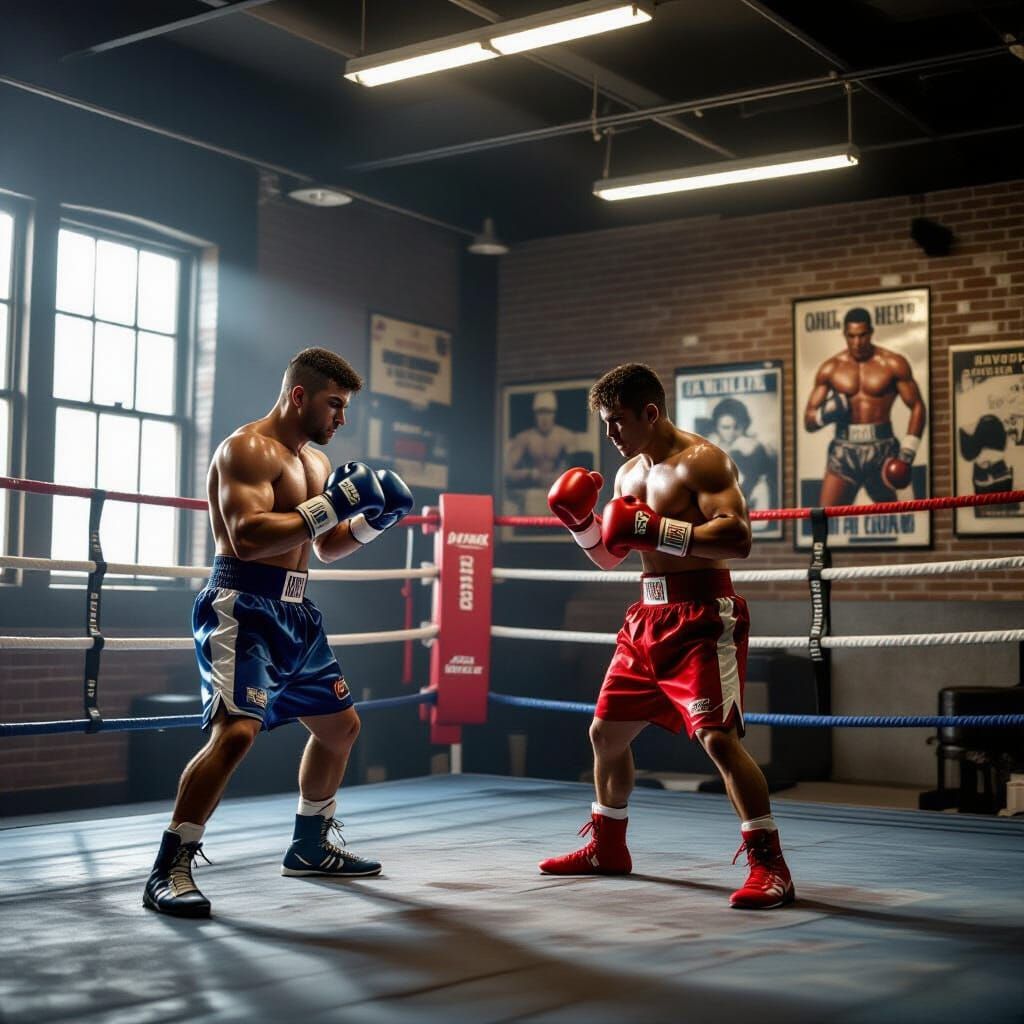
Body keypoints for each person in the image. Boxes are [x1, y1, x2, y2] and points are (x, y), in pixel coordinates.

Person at [143, 347, 413, 918]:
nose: (341, 419)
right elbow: (246, 536)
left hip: (296, 613)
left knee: (341, 729)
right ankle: (170, 865)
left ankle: (310, 844)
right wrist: (333, 504)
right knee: (237, 733)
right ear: (299, 396)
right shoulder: (246, 449)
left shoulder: (313, 463)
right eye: (334, 405)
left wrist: (372, 519)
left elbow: (325, 546)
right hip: (241, 604)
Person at [541, 363, 794, 910]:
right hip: (646, 620)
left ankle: (770, 867)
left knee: (719, 740)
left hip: (702, 614)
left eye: (617, 422)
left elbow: (738, 537)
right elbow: (611, 557)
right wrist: (580, 522)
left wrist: (660, 530)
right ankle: (608, 849)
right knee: (605, 735)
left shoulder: (703, 462)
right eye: (604, 423)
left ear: (651, 413)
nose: (610, 435)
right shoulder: (632, 474)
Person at [803, 307, 926, 504]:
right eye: (851, 336)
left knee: (904, 516)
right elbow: (808, 422)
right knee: (824, 518)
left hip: (883, 449)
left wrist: (907, 454)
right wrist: (826, 414)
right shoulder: (831, 368)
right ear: (844, 334)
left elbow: (917, 406)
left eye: (862, 335)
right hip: (843, 451)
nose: (857, 342)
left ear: (870, 332)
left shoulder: (893, 364)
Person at [505, 390, 591, 515]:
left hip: (560, 491)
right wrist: (529, 474)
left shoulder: (566, 436)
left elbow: (578, 470)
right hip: (532, 492)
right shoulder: (524, 438)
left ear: (554, 414)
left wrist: (560, 476)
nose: (544, 418)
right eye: (540, 413)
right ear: (535, 415)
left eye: (548, 412)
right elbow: (507, 473)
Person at [707, 397, 773, 513]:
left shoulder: (755, 448)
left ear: (744, 425)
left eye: (737, 427)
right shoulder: (709, 448)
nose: (732, 432)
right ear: (716, 427)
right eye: (726, 427)